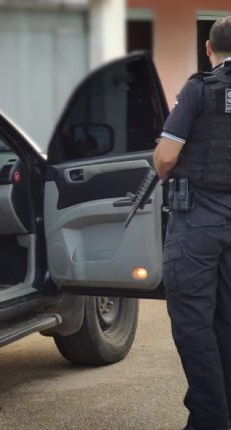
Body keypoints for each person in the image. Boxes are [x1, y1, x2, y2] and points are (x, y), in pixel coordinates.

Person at [154, 16, 231, 430]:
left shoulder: (200, 88)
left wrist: (162, 167)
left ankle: (209, 421)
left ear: (208, 48)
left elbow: (166, 156)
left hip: (198, 221)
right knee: (226, 322)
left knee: (193, 324)